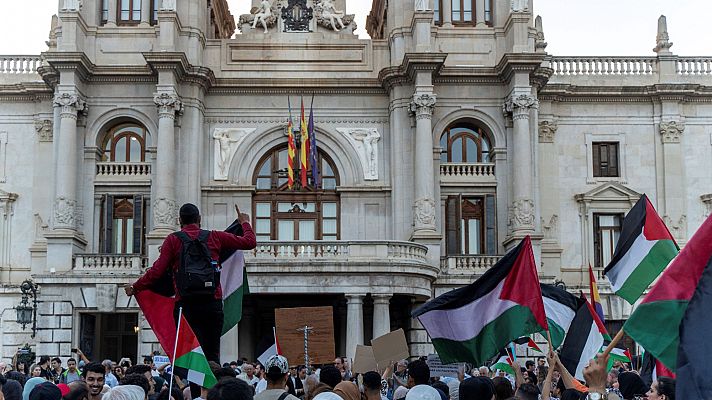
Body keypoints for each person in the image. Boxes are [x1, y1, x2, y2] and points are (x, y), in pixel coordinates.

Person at [126, 204, 256, 364]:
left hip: (185, 306)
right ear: (199, 219)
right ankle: (211, 388)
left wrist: (136, 287)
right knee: (212, 357)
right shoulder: (215, 237)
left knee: (192, 359)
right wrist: (245, 222)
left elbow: (157, 271)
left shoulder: (173, 240)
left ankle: (193, 389)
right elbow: (249, 242)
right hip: (212, 304)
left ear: (179, 220)